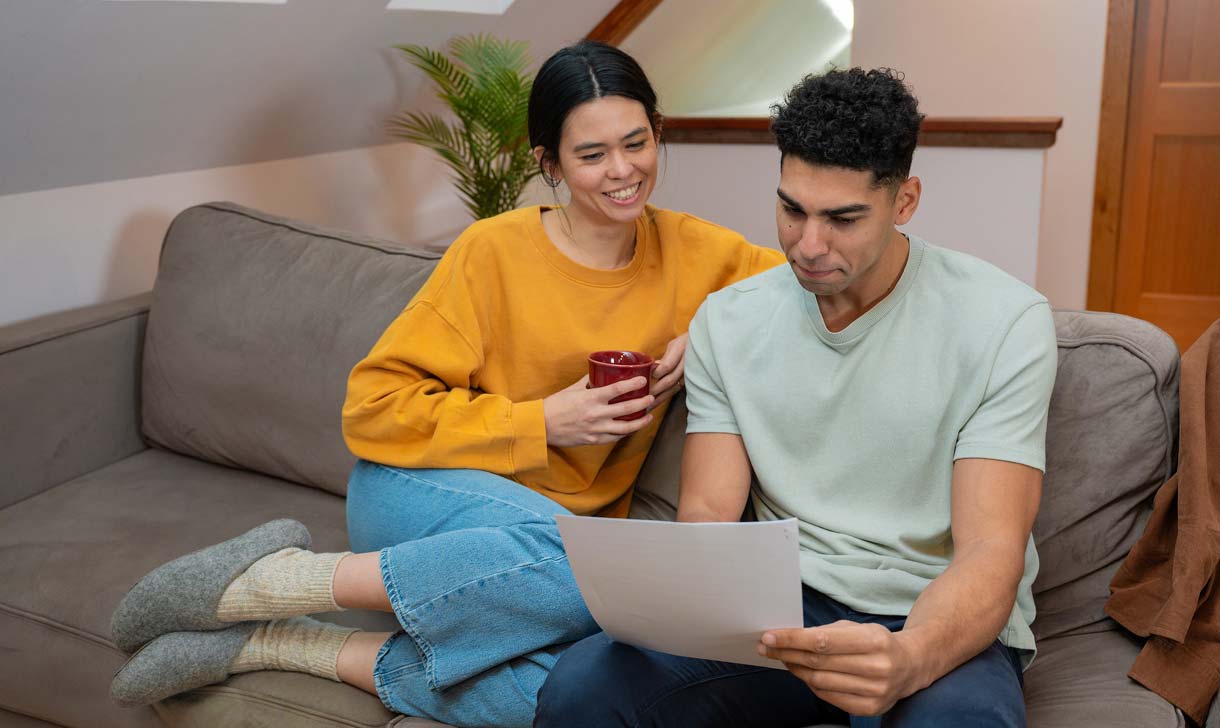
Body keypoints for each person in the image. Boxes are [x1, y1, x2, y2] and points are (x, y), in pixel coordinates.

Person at [106, 40, 784, 728]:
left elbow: (802, 281)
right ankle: (269, 582)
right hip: (422, 489)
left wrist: (705, 327)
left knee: (606, 685)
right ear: (547, 162)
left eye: (636, 143)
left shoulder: (700, 251)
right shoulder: (492, 253)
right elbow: (372, 411)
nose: (623, 171)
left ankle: (288, 643)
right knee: (614, 575)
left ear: (658, 135)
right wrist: (541, 423)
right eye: (591, 154)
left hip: (549, 551)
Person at [534, 67, 1058, 728]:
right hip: (775, 612)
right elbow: (707, 515)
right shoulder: (728, 322)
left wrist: (907, 657)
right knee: (584, 685)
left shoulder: (1004, 322)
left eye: (842, 218)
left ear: (905, 202)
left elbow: (991, 551)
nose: (808, 246)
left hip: (928, 608)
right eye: (792, 209)